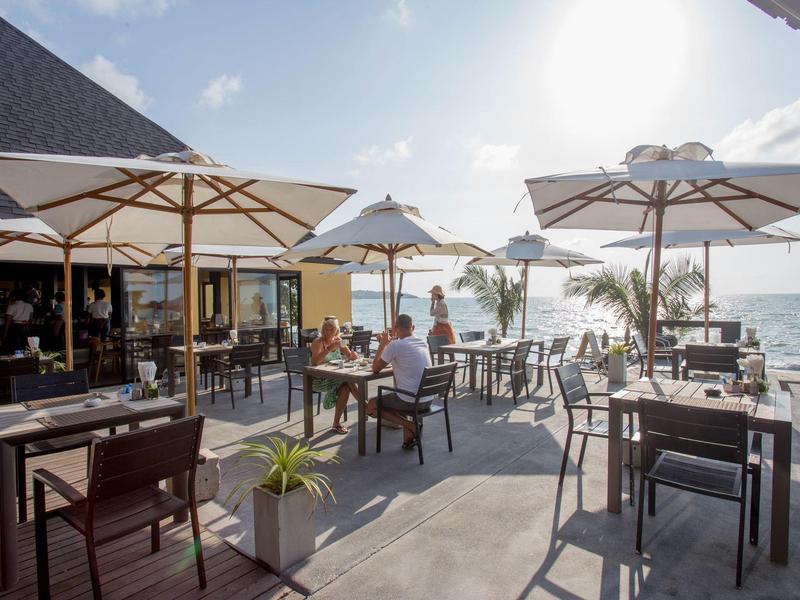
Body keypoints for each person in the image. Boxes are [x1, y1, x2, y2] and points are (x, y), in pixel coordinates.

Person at [368, 314, 433, 449]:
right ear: (413, 327)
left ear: (395, 328)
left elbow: (375, 368)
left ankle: (409, 425)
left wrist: (382, 345)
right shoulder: (423, 343)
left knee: (371, 405)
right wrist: (389, 345)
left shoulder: (396, 345)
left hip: (410, 401)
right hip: (427, 398)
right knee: (401, 392)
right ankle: (409, 439)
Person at [310, 316, 358, 434]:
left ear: (337, 330)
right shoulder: (318, 342)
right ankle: (365, 406)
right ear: (323, 330)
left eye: (332, 329)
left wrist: (353, 355)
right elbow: (315, 361)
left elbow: (349, 355)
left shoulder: (338, 340)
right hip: (318, 380)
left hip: (335, 377)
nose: (329, 331)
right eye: (327, 329)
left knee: (346, 387)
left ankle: (336, 424)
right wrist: (329, 348)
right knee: (348, 380)